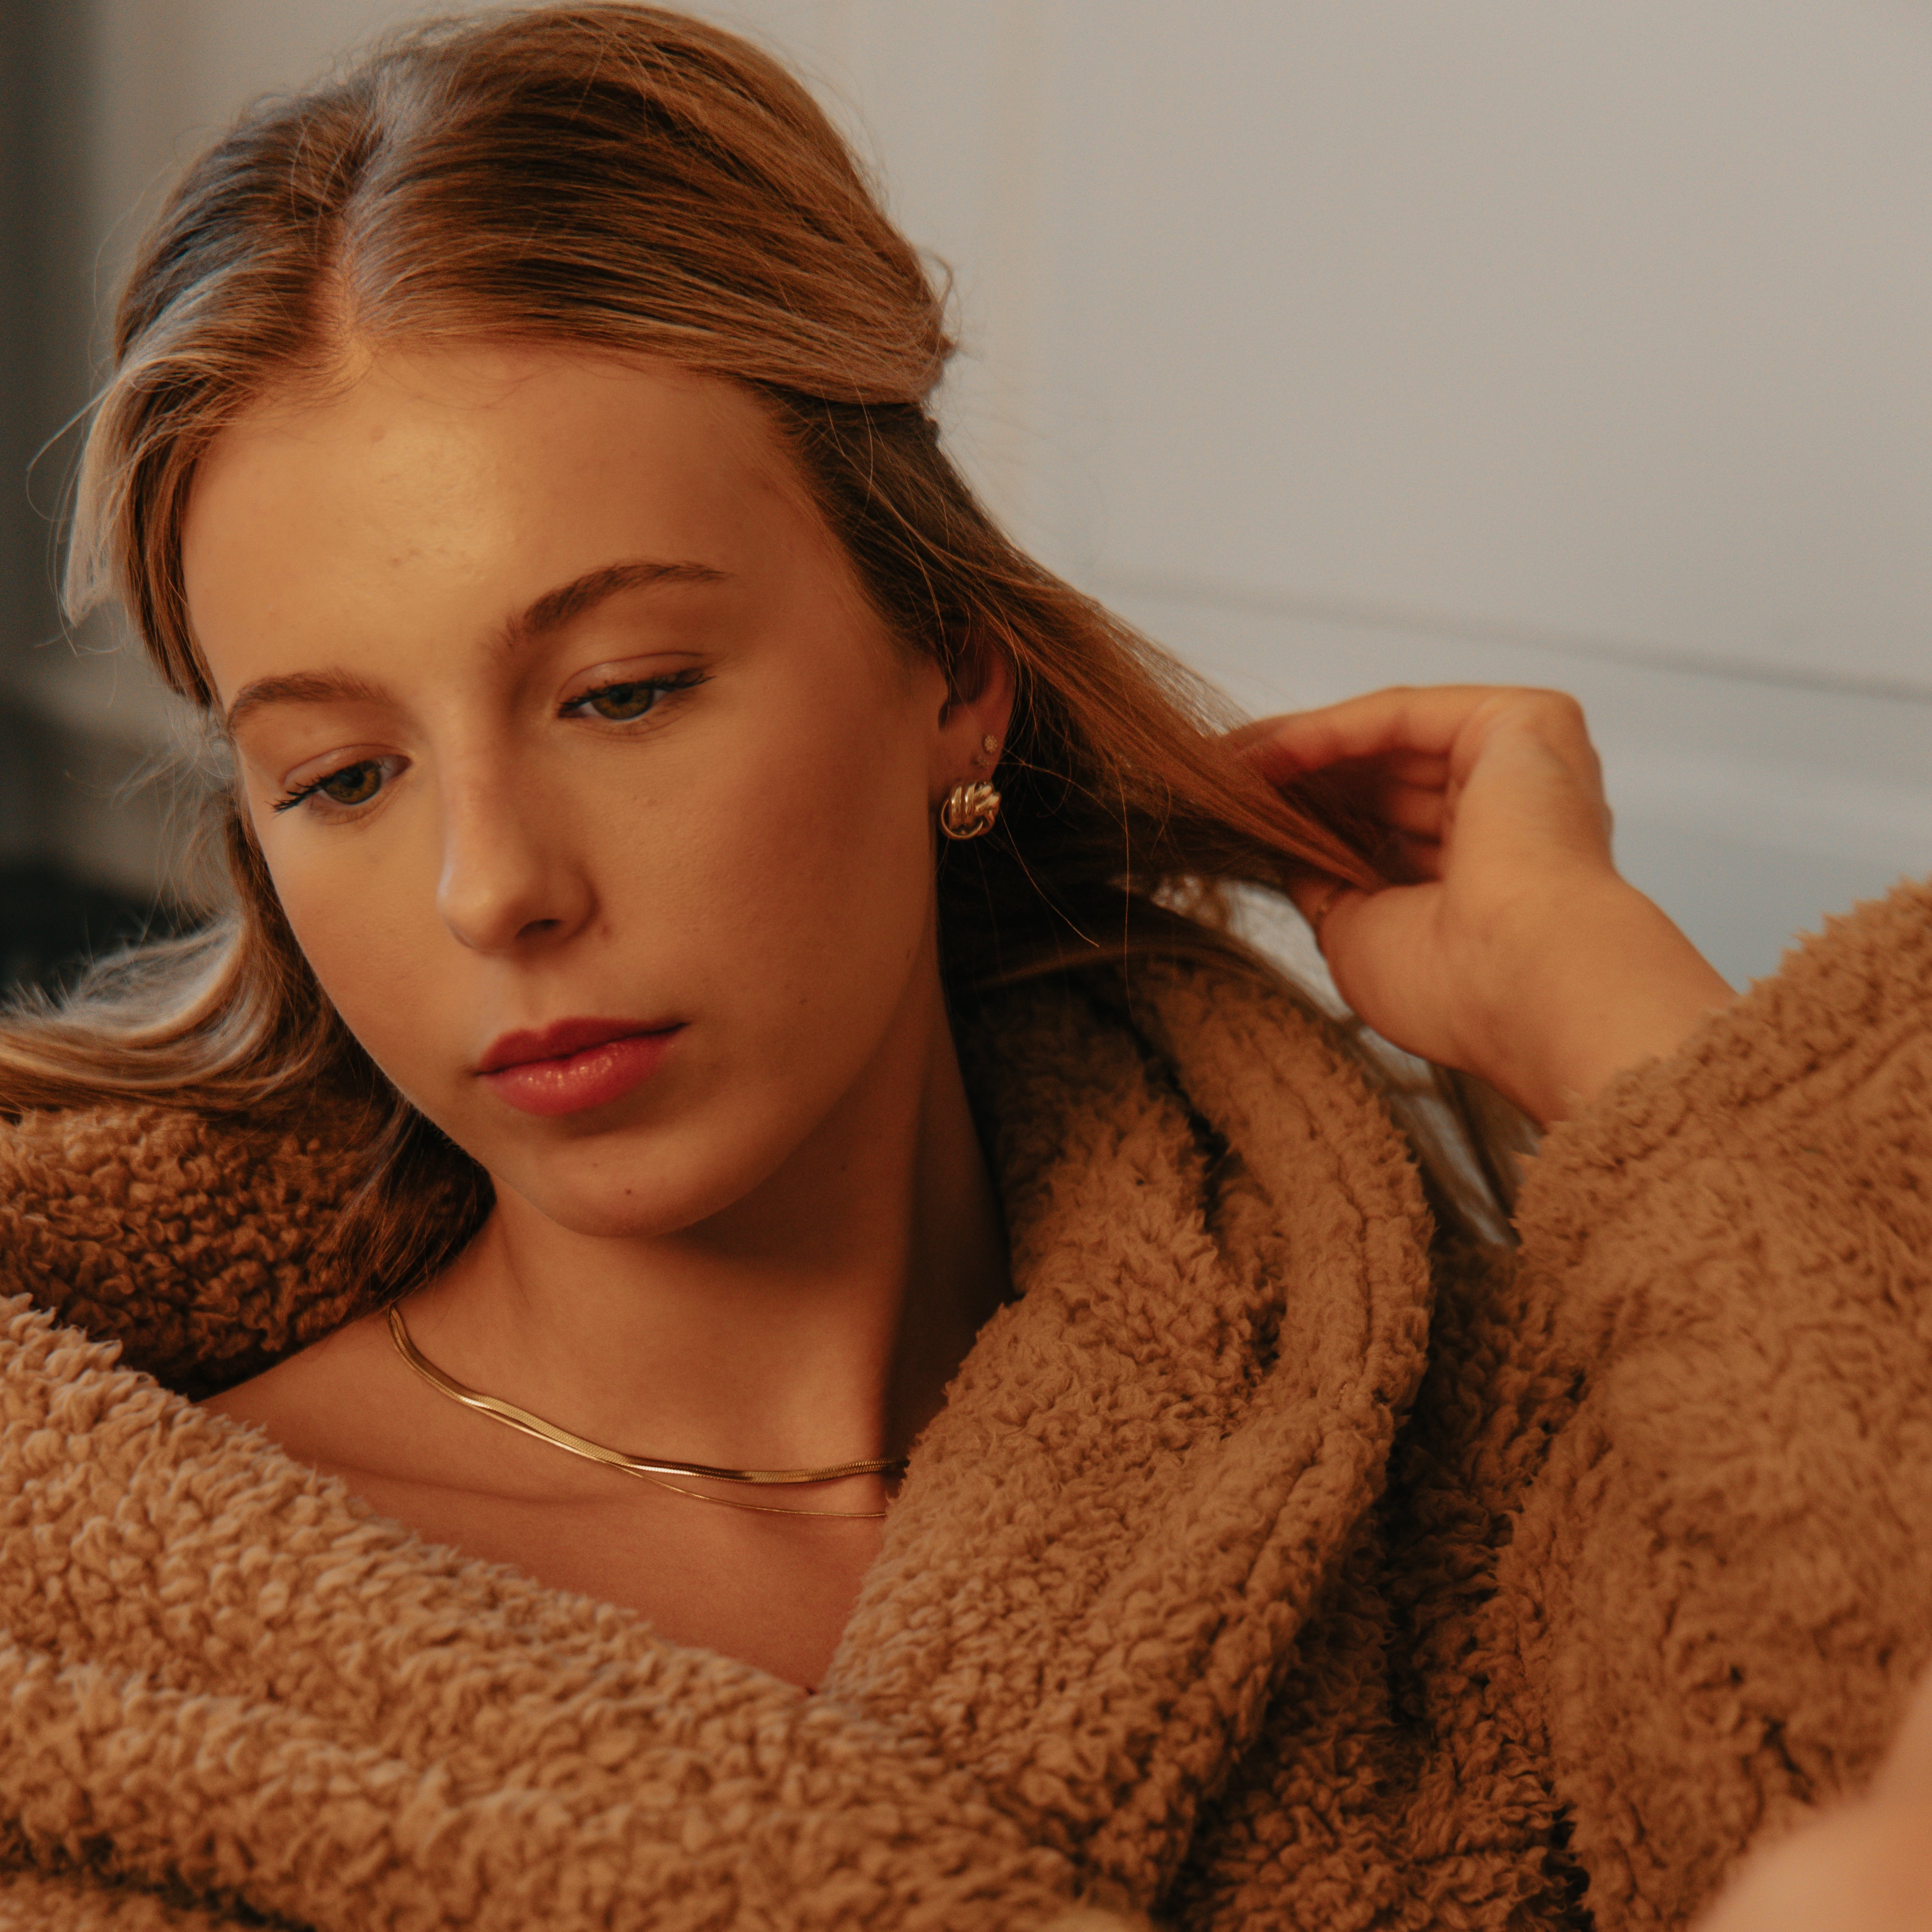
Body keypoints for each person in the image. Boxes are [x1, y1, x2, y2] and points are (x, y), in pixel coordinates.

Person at [0, 6, 1925, 1928]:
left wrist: (1596, 1001)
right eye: (343, 776)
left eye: (624, 691)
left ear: (952, 673)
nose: (491, 887)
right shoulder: (112, 1635)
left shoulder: (1436, 1481)